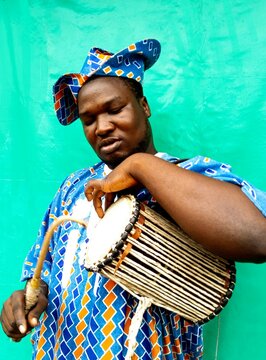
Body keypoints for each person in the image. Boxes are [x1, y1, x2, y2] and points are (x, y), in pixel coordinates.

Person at [1, 38, 266, 359]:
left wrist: (139, 166)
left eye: (115, 109)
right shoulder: (73, 187)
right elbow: (42, 269)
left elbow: (258, 238)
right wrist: (30, 296)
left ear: (143, 106)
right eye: (89, 120)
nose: (102, 127)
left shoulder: (187, 176)